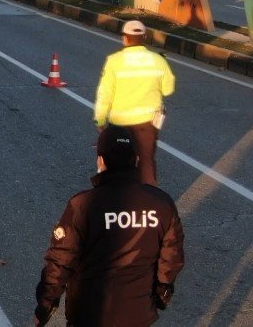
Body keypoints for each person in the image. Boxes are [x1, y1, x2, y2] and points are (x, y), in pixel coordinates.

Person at [34, 125, 185, 326]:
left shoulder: (82, 205)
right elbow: (172, 256)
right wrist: (163, 289)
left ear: (101, 161)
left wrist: (45, 306)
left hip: (89, 315)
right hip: (138, 315)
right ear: (136, 161)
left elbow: (60, 262)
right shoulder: (161, 203)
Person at [94, 20, 175, 186]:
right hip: (147, 123)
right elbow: (168, 89)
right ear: (144, 37)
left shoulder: (114, 61)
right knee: (146, 162)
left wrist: (100, 120)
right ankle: (150, 201)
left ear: (125, 38)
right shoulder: (158, 60)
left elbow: (104, 93)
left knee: (115, 162)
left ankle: (115, 199)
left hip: (119, 124)